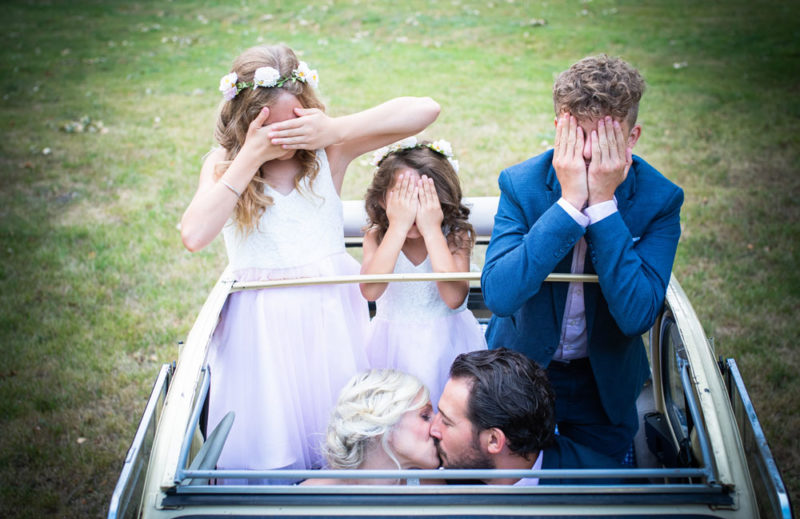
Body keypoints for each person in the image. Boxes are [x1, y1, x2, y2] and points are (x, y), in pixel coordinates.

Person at [180, 44, 440, 481]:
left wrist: (333, 130)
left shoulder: (327, 154)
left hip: (327, 324)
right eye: (270, 128)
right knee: (271, 434)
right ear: (246, 121)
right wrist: (250, 156)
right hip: (260, 332)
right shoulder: (225, 165)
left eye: (294, 124)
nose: (285, 138)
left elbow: (425, 109)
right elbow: (194, 235)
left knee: (336, 436)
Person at [480, 54, 684, 463]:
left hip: (604, 382)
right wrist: (570, 204)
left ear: (632, 137)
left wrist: (604, 205)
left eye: (606, 138)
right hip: (521, 372)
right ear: (560, 129)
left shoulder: (660, 199)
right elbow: (500, 295)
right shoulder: (521, 184)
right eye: (578, 136)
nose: (590, 154)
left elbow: (636, 315)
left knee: (598, 498)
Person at [360, 139, 487, 407]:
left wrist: (432, 230)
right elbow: (370, 291)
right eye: (405, 199)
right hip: (391, 346)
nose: (415, 210)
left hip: (447, 345)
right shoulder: (376, 237)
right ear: (383, 199)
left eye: (424, 200)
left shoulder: (454, 237)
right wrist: (397, 226)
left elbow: (454, 298)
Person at [430, 348, 620, 485]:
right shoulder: (441, 473)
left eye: (446, 421)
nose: (433, 429)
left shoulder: (610, 494)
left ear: (494, 440)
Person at [302, 368, 440, 485]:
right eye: (425, 416)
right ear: (385, 422)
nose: (437, 425)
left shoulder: (434, 491)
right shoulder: (302, 501)